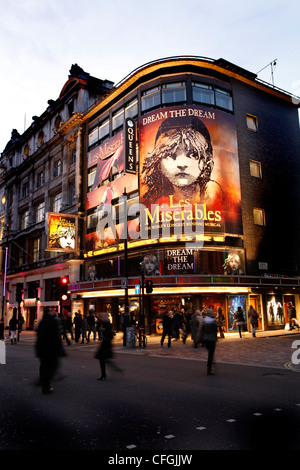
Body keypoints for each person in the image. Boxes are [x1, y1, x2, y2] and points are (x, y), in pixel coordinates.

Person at [141, 116, 222, 205]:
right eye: (170, 154)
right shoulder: (153, 206)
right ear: (158, 161)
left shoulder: (221, 202)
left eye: (193, 154)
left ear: (207, 161)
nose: (181, 164)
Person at [35, 308, 66, 394]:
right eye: (52, 310)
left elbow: (38, 333)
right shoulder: (52, 322)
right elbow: (55, 337)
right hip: (50, 349)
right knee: (51, 366)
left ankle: (44, 383)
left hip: (42, 349)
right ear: (49, 312)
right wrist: (60, 350)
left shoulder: (42, 321)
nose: (54, 312)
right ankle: (45, 384)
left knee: (44, 366)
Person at [94, 312, 120, 380]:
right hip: (106, 342)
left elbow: (106, 331)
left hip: (106, 343)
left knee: (102, 358)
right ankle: (105, 373)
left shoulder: (106, 324)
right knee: (103, 358)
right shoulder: (105, 323)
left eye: (100, 317)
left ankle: (104, 374)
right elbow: (98, 328)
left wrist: (103, 330)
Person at [198, 306, 218, 375]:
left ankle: (211, 365)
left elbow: (201, 330)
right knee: (211, 353)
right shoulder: (214, 321)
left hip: (205, 339)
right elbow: (215, 331)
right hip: (212, 339)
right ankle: (209, 367)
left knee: (210, 353)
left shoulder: (204, 320)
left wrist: (199, 338)